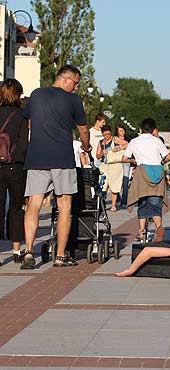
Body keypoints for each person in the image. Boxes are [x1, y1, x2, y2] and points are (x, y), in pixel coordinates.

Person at [21, 65, 90, 269]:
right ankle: (60, 256)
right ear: (66, 79)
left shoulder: (36, 94)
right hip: (62, 158)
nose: (76, 88)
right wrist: (86, 145)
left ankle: (28, 253)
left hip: (37, 157)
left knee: (33, 204)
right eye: (76, 84)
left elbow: (29, 123)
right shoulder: (73, 100)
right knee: (65, 207)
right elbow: (83, 129)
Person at [119, 117, 170, 243]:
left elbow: (124, 158)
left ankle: (142, 231)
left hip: (142, 173)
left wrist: (134, 161)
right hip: (157, 174)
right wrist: (161, 162)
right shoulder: (157, 141)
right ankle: (159, 228)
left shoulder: (134, 141)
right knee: (155, 203)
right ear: (153, 130)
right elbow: (168, 156)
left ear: (140, 129)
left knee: (142, 203)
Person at [0, 79, 28, 263]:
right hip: (16, 166)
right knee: (16, 209)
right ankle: (17, 250)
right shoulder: (22, 115)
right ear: (17, 94)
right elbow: (25, 143)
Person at [96, 125, 124, 212]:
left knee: (115, 184)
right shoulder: (101, 142)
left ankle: (113, 205)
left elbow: (126, 144)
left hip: (115, 165)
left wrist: (118, 148)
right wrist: (102, 154)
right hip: (104, 165)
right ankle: (102, 203)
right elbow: (97, 155)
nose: (107, 136)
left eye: (108, 134)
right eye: (105, 134)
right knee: (102, 184)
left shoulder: (115, 139)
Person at [115, 125, 130, 208]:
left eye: (123, 130)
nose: (122, 132)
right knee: (117, 181)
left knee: (125, 181)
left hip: (126, 162)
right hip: (117, 162)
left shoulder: (128, 140)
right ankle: (117, 197)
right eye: (120, 131)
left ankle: (124, 201)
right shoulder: (115, 140)